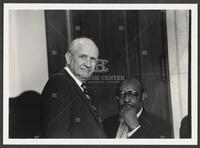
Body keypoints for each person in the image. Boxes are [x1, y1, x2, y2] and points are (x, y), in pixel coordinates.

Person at [42, 37, 106, 138]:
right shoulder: (59, 84)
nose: (88, 64)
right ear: (68, 58)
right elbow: (57, 137)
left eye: (93, 59)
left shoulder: (77, 86)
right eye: (83, 56)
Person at [103, 78, 171, 138]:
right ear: (117, 98)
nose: (126, 99)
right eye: (122, 94)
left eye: (132, 94)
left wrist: (135, 129)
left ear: (143, 96)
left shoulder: (160, 125)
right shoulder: (107, 124)